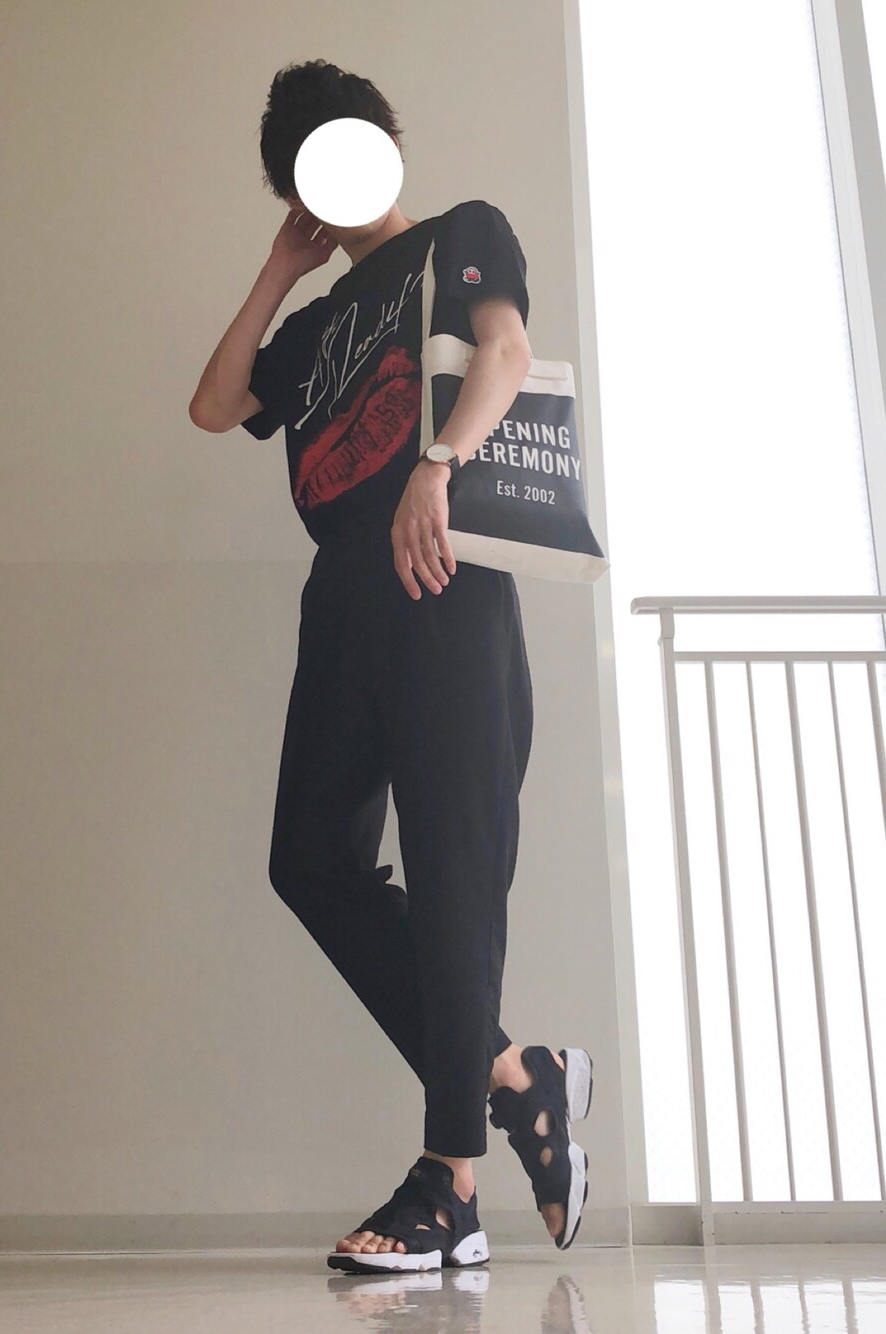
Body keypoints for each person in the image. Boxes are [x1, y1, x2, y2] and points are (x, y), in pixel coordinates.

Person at [189, 59, 594, 1274]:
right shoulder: (314, 323)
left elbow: (506, 350)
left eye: (351, 143)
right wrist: (280, 269)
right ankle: (516, 1074)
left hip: (443, 581)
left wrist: (436, 465)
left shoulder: (461, 235)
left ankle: (450, 1186)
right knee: (308, 859)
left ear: (387, 142)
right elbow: (214, 404)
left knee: (453, 872)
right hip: (344, 600)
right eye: (312, 163)